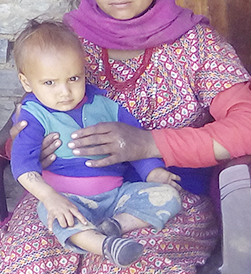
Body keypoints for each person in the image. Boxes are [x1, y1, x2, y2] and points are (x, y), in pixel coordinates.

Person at [0, 0, 251, 273]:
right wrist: (29, 148)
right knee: (24, 262)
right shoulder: (65, 42)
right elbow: (26, 124)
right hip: (70, 195)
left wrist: (149, 145)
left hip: (164, 195)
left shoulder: (197, 44)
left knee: (124, 266)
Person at [9, 20, 181, 267]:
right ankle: (106, 246)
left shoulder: (105, 106)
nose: (64, 92)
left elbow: (136, 142)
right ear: (27, 83)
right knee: (53, 214)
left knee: (168, 195)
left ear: (83, 71)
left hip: (117, 195)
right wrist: (50, 197)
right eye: (50, 83)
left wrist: (154, 172)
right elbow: (22, 166)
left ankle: (116, 226)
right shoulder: (34, 116)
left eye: (73, 78)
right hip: (69, 198)